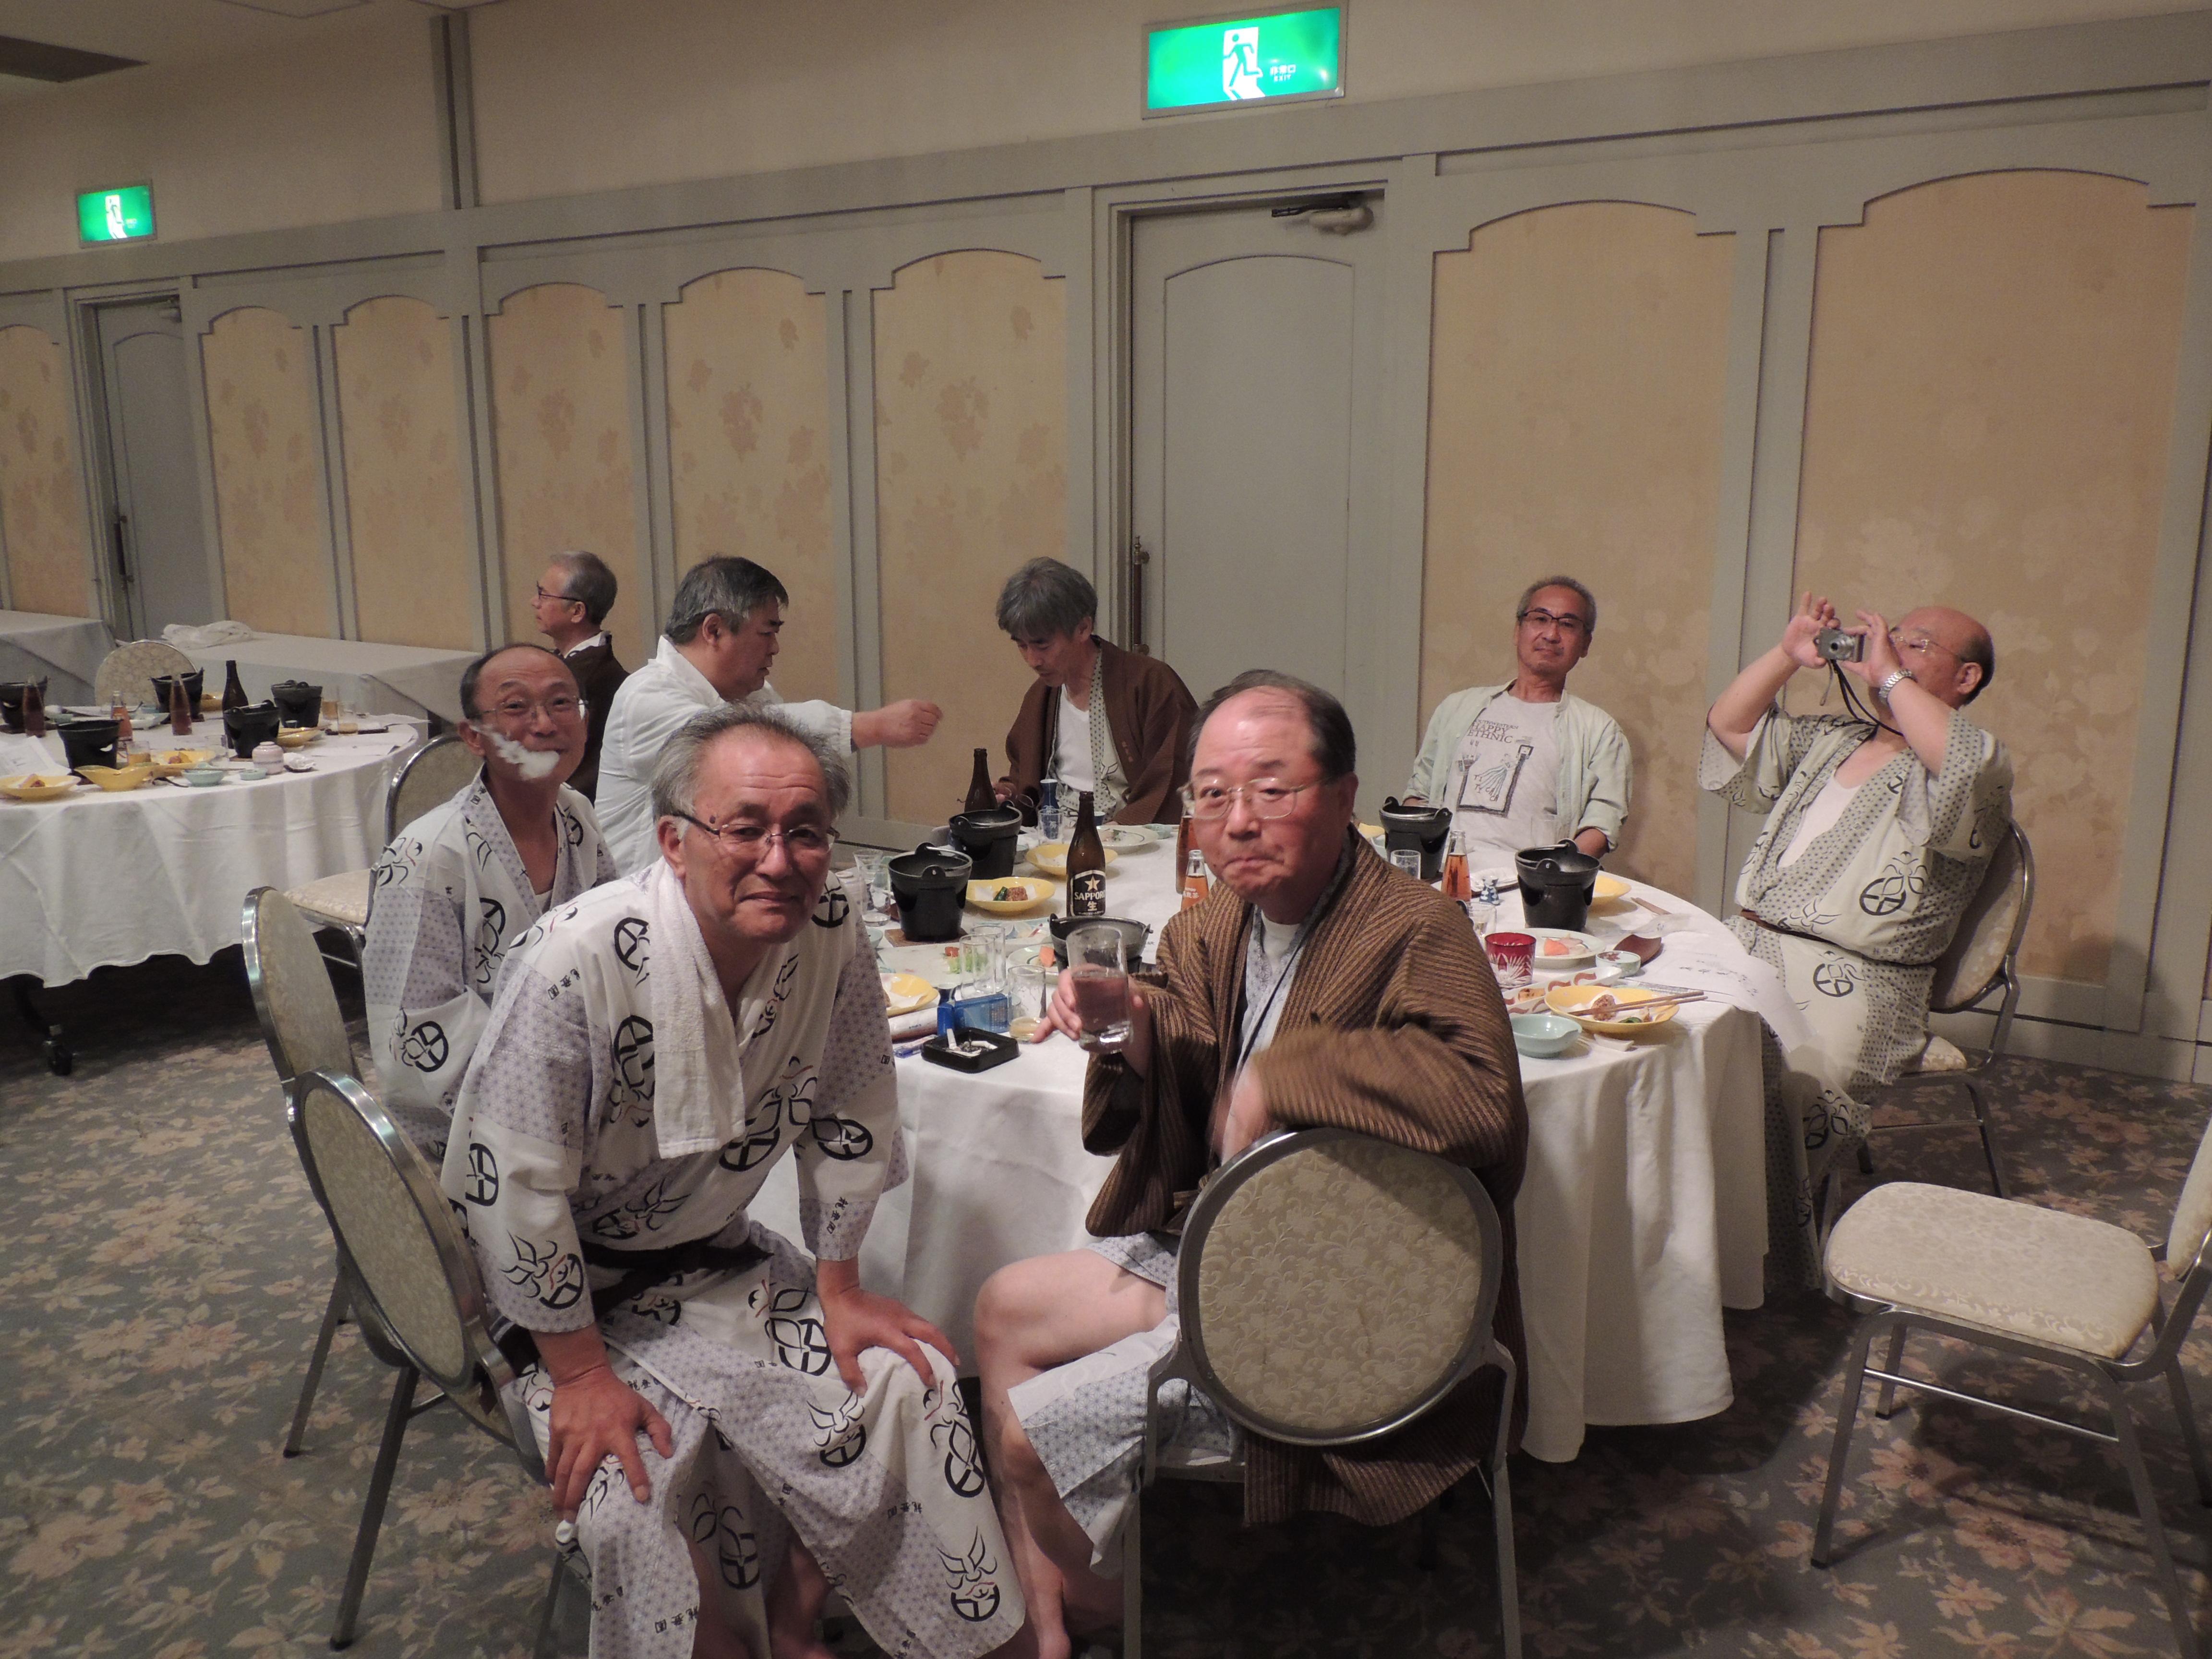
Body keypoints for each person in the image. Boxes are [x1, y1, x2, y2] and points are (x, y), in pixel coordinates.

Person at [441, 704, 1023, 1659]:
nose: (780, 860)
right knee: (634, 1498)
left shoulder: (829, 924)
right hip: (563, 1309)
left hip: (717, 1258)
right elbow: (509, 1185)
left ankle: (819, 1621)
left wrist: (841, 1287)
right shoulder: (574, 961)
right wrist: (580, 1373)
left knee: (904, 1384)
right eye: (744, 829)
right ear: (674, 841)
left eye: (806, 832)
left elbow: (851, 1099)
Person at [972, 671, 1527, 1659]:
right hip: (1235, 1245)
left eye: (1273, 789)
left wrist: (1288, 1071)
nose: (1238, 820)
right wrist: (1130, 1025)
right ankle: (1057, 1610)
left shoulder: (1416, 927)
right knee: (1000, 1309)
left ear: (1345, 795)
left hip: (1347, 1290)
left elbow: (1483, 1099)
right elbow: (1187, 1051)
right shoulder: (1212, 923)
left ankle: (1102, 1607)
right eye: (1213, 794)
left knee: (1023, 1440)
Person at [1704, 594, 2012, 1285]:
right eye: (1889, 639)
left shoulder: (1977, 766)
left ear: (1966, 678)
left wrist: (1889, 678)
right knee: (1658, 1034)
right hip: (1746, 945)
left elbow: (1962, 767)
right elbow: (1729, 723)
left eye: (1915, 645)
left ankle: (1734, 1254)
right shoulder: (1832, 741)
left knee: (1784, 1089)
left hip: (1862, 983)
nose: (1891, 653)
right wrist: (1788, 655)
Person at [362, 644, 613, 1160]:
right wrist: (552, 1100)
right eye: (516, 707)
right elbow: (419, 1027)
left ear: (586, 722)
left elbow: (611, 943)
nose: (544, 725)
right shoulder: (426, 858)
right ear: (474, 736)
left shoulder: (576, 815)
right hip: (473, 1128)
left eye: (562, 703)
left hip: (578, 1083)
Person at [597, 556, 943, 870]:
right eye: (766, 633)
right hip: (640, 904)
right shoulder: (647, 696)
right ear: (714, 631)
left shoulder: (751, 694)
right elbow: (743, 741)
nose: (775, 648)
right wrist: (868, 726)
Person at [1403, 575, 1631, 866]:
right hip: (1444, 871)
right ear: (1517, 630)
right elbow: (1419, 792)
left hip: (1529, 881)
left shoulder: (1600, 731)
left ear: (1585, 644)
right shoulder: (1456, 708)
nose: (1551, 634)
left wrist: (1546, 873)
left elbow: (1603, 823)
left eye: (1567, 624)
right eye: (1540, 619)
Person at [993, 558, 1197, 826]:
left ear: (1083, 628)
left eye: (1042, 646)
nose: (1033, 660)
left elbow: (1173, 778)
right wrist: (1008, 794)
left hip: (1130, 836)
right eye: (1022, 646)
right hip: (1055, 834)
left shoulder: (1150, 683)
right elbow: (1026, 778)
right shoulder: (1040, 697)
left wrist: (1118, 830)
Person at [530, 549, 628, 799]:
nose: (535, 602)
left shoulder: (588, 680)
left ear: (577, 612)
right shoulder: (578, 667)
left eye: (544, 594)